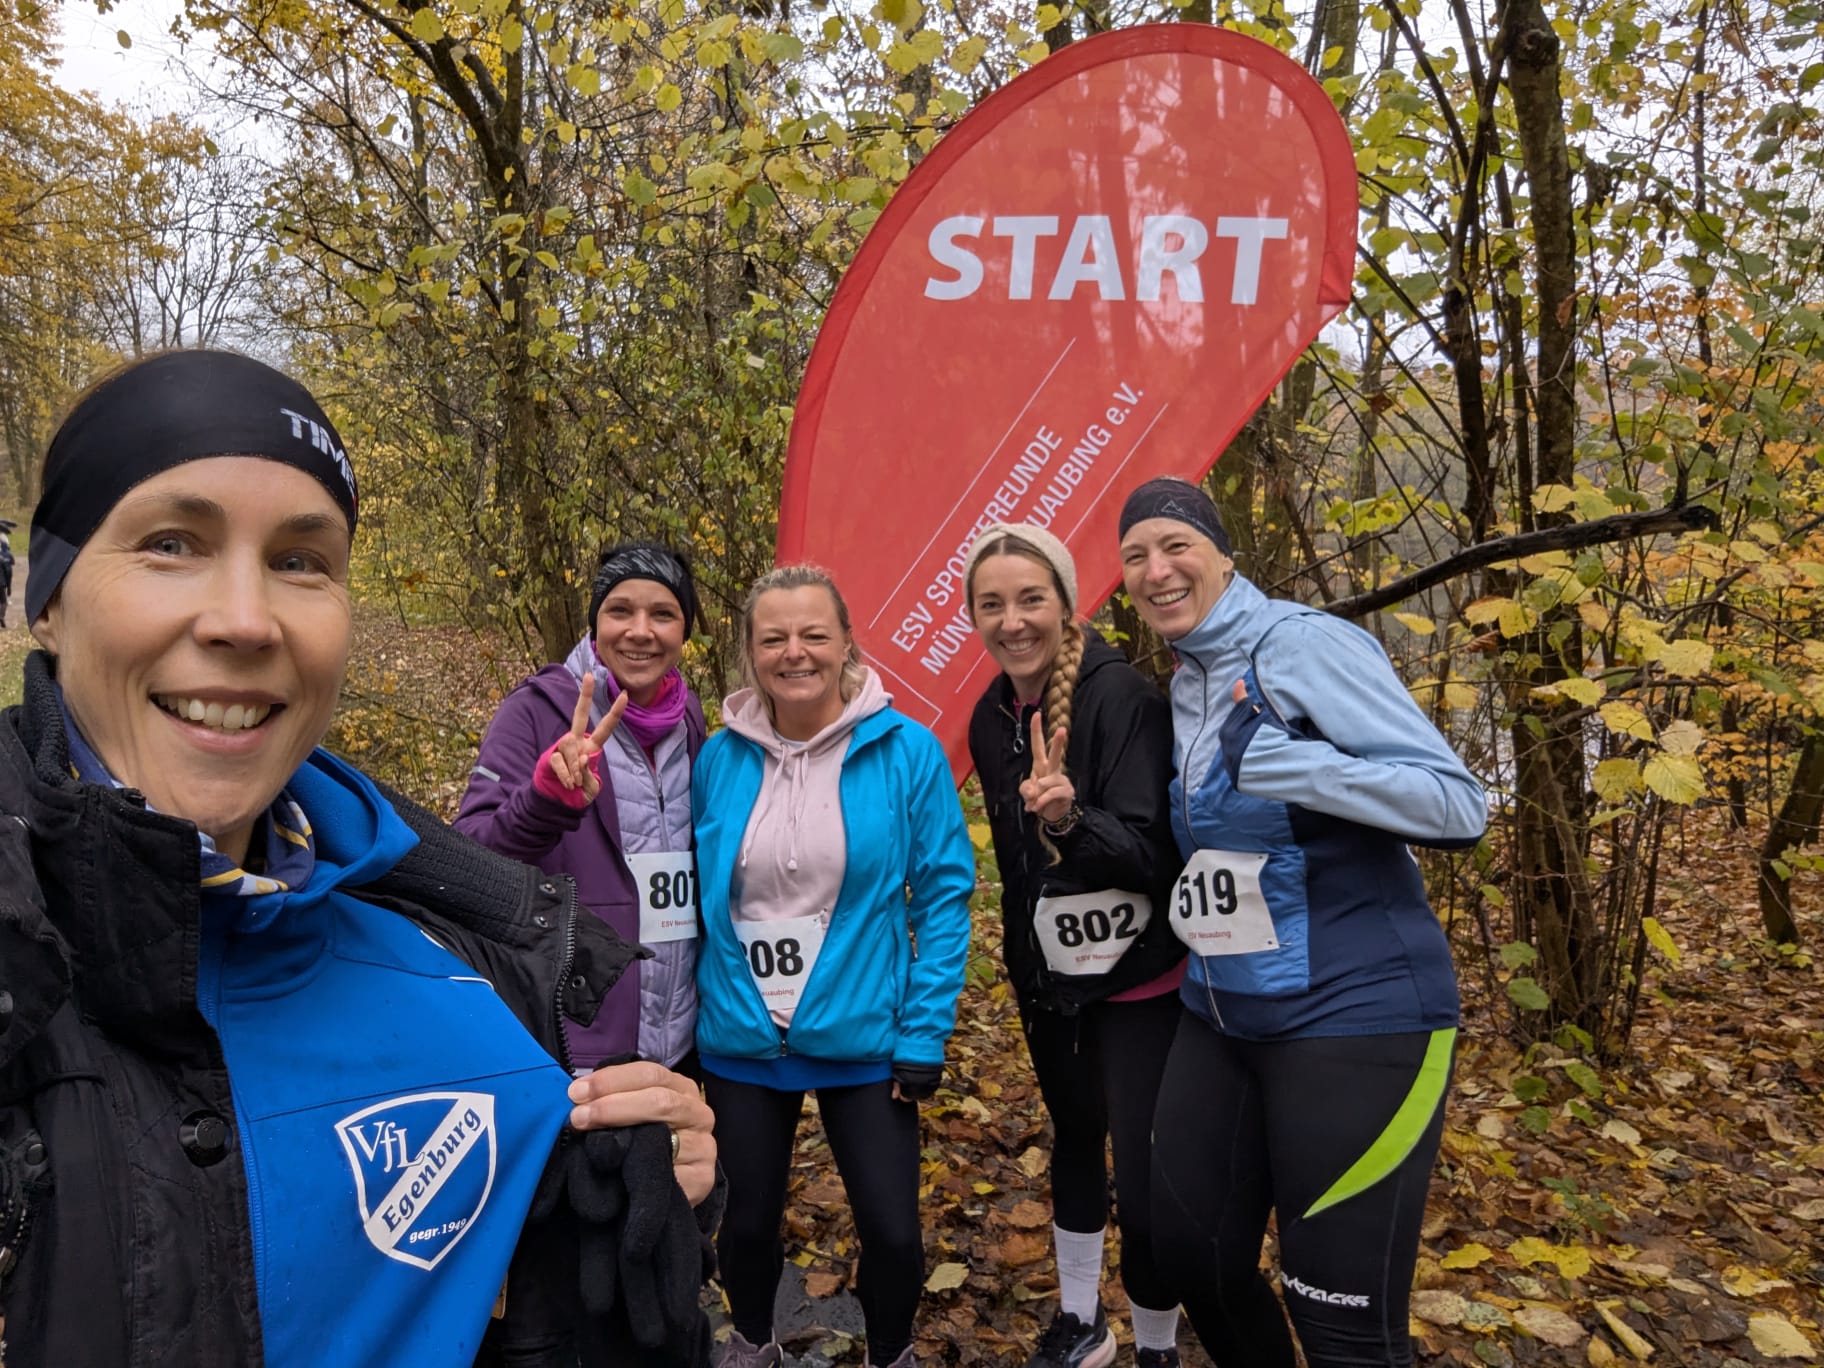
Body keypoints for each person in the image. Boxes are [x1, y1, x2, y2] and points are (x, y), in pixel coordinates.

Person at [0, 349, 718, 1368]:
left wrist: (608, 1207)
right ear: (51, 598)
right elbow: (494, 832)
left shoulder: (470, 981)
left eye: (301, 560)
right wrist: (551, 799)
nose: (245, 620)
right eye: (171, 543)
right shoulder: (539, 712)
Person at [1114, 477, 1486, 1368]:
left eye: (1176, 546)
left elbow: (1458, 805)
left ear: (1222, 552)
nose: (1157, 570)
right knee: (1192, 1258)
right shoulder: (1190, 671)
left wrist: (1297, 768)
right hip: (1223, 1011)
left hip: (1359, 1012)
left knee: (1342, 1325)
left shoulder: (1300, 644)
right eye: (1135, 556)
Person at [692, 564, 975, 1368]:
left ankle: (890, 1353)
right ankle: (754, 1343)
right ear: (750, 652)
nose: (795, 653)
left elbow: (945, 895)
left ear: (846, 642)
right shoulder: (719, 758)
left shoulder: (905, 751)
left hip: (863, 1033)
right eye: (773, 637)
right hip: (742, 1032)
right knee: (744, 1223)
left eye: (813, 634)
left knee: (891, 1229)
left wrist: (925, 1031)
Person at [962, 525, 1187, 1368]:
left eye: (1030, 599)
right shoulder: (990, 717)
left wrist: (1069, 818)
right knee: (1074, 1135)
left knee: (1144, 1163)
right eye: (992, 604)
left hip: (1137, 982)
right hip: (1051, 981)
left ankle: (1159, 1345)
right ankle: (1080, 1319)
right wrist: (1026, 963)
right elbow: (1019, 871)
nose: (1013, 621)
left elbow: (1153, 858)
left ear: (1065, 602)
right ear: (974, 617)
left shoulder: (1122, 697)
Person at [458, 541, 708, 1073]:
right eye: (620, 611)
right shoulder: (535, 711)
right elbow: (470, 859)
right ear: (595, 625)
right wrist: (544, 802)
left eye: (663, 614)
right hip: (578, 1037)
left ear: (684, 633)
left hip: (681, 1036)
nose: (640, 631)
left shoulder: (689, 719)